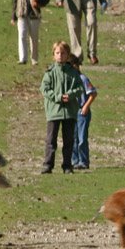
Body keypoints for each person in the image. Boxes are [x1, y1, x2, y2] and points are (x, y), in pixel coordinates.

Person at [40, 42, 84, 174]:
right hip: (54, 111)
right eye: (57, 53)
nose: (60, 56)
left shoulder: (73, 72)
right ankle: (48, 164)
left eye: (63, 53)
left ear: (68, 55)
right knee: (51, 140)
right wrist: (58, 97)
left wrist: (70, 95)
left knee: (69, 140)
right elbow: (44, 89)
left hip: (69, 112)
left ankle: (67, 165)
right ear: (54, 55)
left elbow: (80, 87)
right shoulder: (50, 73)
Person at [11, 0, 50, 65]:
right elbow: (15, 1)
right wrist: (13, 16)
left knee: (34, 37)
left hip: (34, 15)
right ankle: (23, 58)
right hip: (21, 14)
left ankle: (34, 59)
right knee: (22, 35)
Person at [71, 54, 97, 170]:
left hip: (82, 112)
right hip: (72, 112)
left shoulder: (83, 79)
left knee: (82, 138)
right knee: (73, 137)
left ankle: (83, 160)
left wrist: (86, 106)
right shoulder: (69, 80)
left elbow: (93, 93)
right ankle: (74, 160)